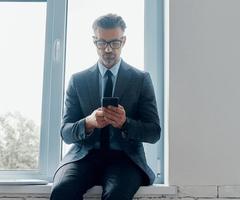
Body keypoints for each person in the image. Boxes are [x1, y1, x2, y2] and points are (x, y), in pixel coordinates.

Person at [50, 13, 161, 200]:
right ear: (94, 42)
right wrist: (88, 122)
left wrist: (125, 123)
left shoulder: (141, 80)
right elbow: (65, 132)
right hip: (83, 157)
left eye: (114, 43)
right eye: (102, 43)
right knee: (62, 191)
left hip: (125, 159)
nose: (108, 49)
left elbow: (154, 132)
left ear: (123, 41)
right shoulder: (78, 81)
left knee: (116, 196)